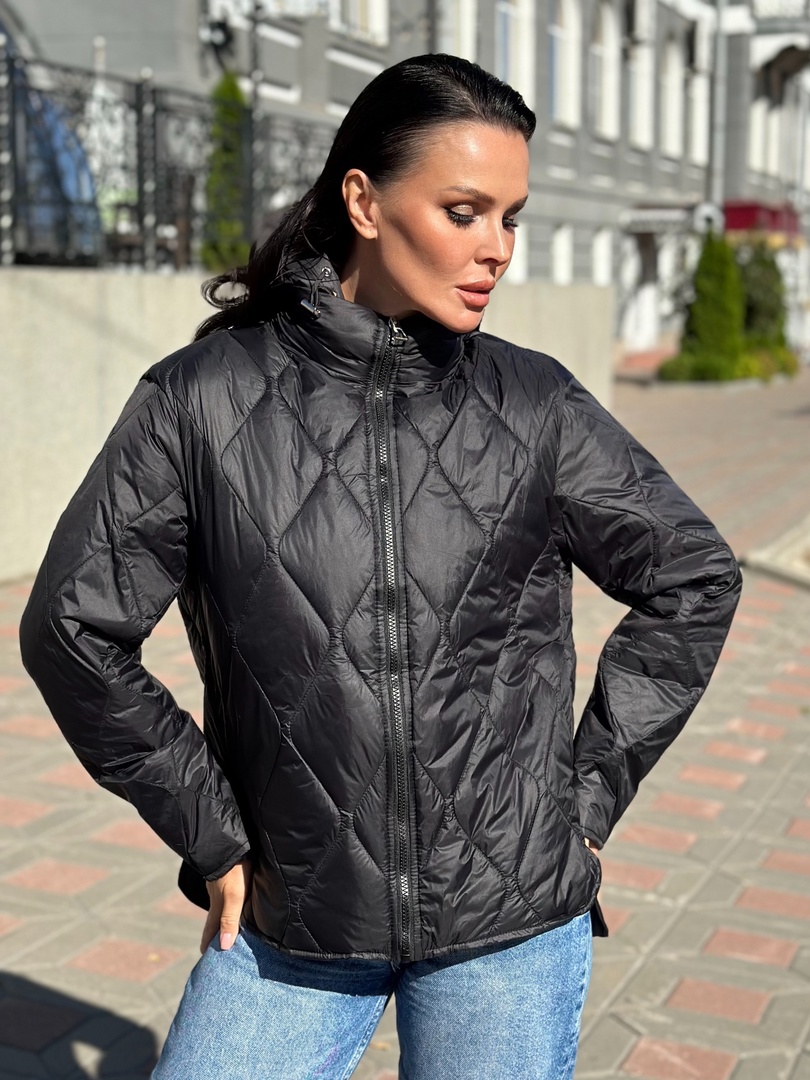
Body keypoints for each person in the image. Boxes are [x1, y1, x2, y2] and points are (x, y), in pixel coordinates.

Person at [18, 53, 743, 1080]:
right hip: (293, 917)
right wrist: (210, 831)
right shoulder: (201, 401)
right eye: (463, 211)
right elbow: (72, 628)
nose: (497, 249)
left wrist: (586, 799)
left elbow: (694, 577)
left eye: (511, 218)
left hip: (508, 921)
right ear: (363, 201)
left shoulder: (536, 406)